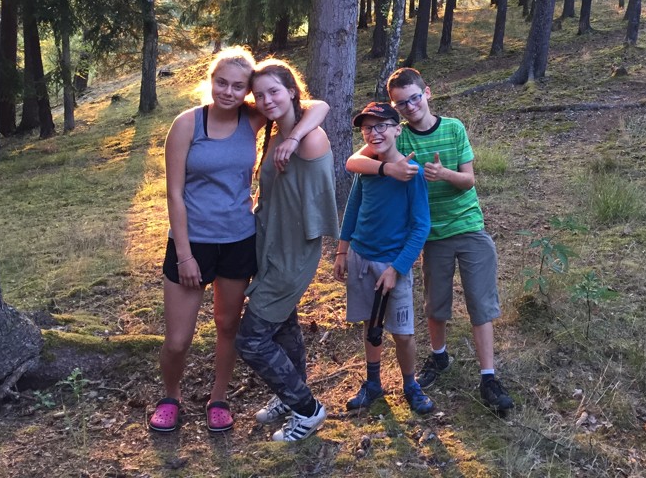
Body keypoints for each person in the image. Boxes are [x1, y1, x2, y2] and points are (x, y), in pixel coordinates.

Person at [149, 48, 327, 434]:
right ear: (210, 82)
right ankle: (171, 396)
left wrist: (294, 138)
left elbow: (317, 106)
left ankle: (218, 398)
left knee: (227, 326)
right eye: (221, 83)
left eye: (237, 86)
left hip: (238, 241)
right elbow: (174, 194)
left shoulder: (253, 117)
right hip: (191, 243)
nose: (228, 92)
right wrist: (184, 255)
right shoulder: (187, 124)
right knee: (177, 340)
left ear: (247, 91)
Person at [345, 68, 514, 413]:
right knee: (436, 304)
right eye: (401, 103)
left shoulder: (453, 128)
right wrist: (388, 169)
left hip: (467, 226)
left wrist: (443, 174)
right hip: (431, 234)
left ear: (427, 93)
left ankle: (488, 377)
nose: (410, 107)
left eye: (414, 98)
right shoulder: (398, 135)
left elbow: (468, 180)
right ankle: (439, 357)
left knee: (479, 302)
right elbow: (355, 161)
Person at [235, 59, 339, 443]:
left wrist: (294, 139)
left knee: (251, 340)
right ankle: (289, 392)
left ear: (293, 91)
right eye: (259, 95)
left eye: (274, 91)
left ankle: (307, 409)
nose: (266, 100)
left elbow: (321, 105)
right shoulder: (279, 132)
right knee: (284, 325)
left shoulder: (307, 138)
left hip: (292, 256)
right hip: (271, 247)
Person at [333, 102, 434, 416]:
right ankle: (373, 382)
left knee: (402, 333)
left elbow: (421, 226)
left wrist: (397, 268)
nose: (374, 133)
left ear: (396, 130)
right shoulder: (366, 168)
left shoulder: (411, 173)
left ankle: (410, 384)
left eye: (381, 126)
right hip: (361, 258)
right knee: (371, 324)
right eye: (367, 128)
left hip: (393, 264)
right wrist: (342, 251)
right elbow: (353, 209)